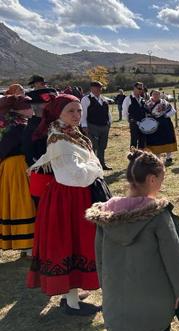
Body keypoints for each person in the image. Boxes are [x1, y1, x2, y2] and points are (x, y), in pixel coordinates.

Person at [85, 148, 179, 331]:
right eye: (161, 179)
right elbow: (174, 257)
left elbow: (99, 257)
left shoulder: (107, 216)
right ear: (151, 180)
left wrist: (106, 286)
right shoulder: (158, 215)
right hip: (155, 295)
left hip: (119, 294)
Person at [26, 94, 110, 316]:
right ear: (58, 114)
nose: (76, 115)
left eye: (78, 110)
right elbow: (76, 175)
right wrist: (96, 167)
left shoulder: (69, 133)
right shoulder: (60, 139)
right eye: (70, 111)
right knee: (71, 245)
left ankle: (70, 294)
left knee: (75, 244)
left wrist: (91, 164)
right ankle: (71, 303)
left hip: (73, 196)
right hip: (68, 198)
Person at [0, 95, 37, 255]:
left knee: (15, 202)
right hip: (18, 166)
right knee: (24, 202)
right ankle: (28, 244)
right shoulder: (19, 126)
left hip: (8, 167)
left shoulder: (7, 124)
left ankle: (24, 242)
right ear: (17, 110)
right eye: (28, 106)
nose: (31, 109)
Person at [81, 81, 113, 170]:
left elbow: (108, 112)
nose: (98, 89)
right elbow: (83, 114)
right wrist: (84, 126)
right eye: (96, 88)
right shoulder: (86, 99)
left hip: (104, 126)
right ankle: (94, 165)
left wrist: (110, 122)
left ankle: (102, 163)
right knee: (94, 146)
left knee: (102, 146)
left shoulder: (103, 99)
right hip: (92, 126)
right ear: (91, 89)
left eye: (100, 88)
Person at [145, 90, 178, 165]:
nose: (156, 95)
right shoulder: (147, 104)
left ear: (160, 95)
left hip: (165, 123)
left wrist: (166, 115)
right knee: (156, 141)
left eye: (157, 94)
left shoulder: (164, 102)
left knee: (167, 139)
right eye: (154, 94)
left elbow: (173, 111)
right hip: (153, 124)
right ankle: (157, 159)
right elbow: (145, 114)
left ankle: (169, 157)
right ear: (151, 95)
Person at [122, 82, 147, 149]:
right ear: (134, 88)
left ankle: (141, 157)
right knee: (134, 141)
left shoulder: (142, 99)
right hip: (134, 123)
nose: (141, 90)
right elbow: (124, 112)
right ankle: (133, 158)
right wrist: (130, 121)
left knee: (142, 140)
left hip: (143, 123)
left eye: (142, 88)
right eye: (139, 88)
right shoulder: (128, 99)